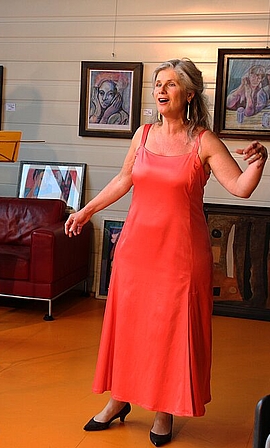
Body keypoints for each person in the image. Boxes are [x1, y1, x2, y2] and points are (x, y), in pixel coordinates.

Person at [65, 58, 267, 446]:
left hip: (181, 257)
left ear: (188, 94)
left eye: (170, 84)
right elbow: (125, 179)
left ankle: (164, 410)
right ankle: (119, 400)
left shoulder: (204, 141)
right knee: (129, 329)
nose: (160, 90)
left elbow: (241, 187)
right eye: (158, 84)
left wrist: (258, 163)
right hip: (135, 250)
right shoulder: (142, 135)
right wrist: (88, 209)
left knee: (171, 334)